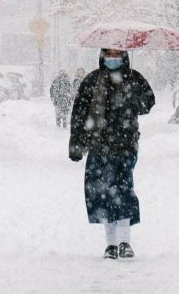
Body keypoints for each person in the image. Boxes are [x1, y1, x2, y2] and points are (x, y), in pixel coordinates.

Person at [69, 49, 155, 260]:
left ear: (124, 56)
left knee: (124, 189)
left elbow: (148, 102)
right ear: (102, 56)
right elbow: (79, 113)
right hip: (99, 146)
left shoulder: (133, 78)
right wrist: (77, 145)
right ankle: (110, 244)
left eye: (116, 55)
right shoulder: (92, 80)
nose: (112, 59)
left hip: (126, 145)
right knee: (103, 193)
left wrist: (131, 99)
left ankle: (125, 241)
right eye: (108, 54)